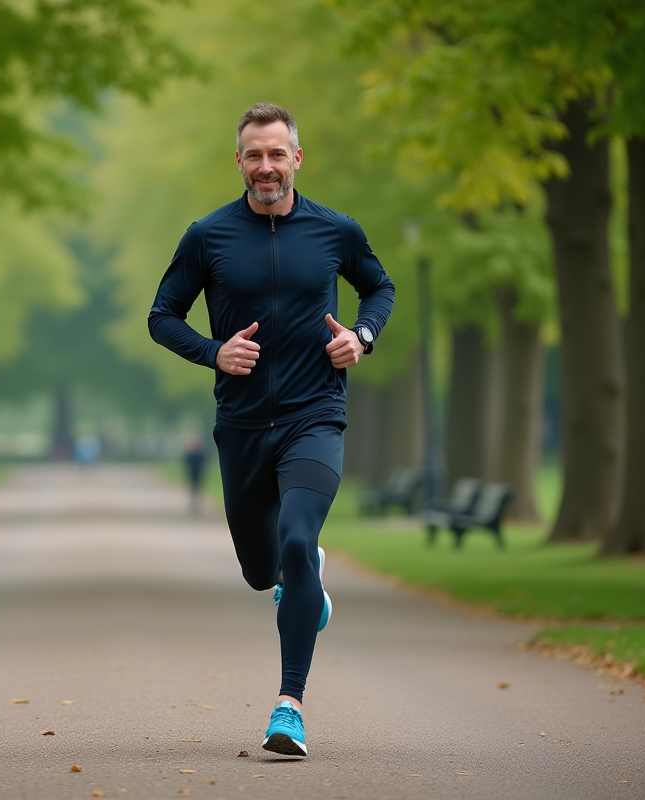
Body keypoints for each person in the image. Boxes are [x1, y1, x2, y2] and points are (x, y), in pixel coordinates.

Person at [148, 102, 395, 757]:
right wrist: (213, 350)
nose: (266, 166)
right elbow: (162, 314)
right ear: (239, 161)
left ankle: (289, 707)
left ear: (296, 158)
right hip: (243, 425)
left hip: (316, 417)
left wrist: (360, 339)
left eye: (276, 154)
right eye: (254, 155)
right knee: (264, 572)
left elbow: (380, 288)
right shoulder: (209, 236)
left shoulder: (334, 231)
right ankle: (299, 578)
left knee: (295, 537)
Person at [183, 433, 207, 514]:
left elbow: (204, 464)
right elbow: (186, 465)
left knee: (198, 490)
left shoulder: (200, 454)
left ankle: (198, 506)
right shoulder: (190, 454)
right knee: (193, 491)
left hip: (199, 474)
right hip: (192, 474)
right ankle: (193, 506)